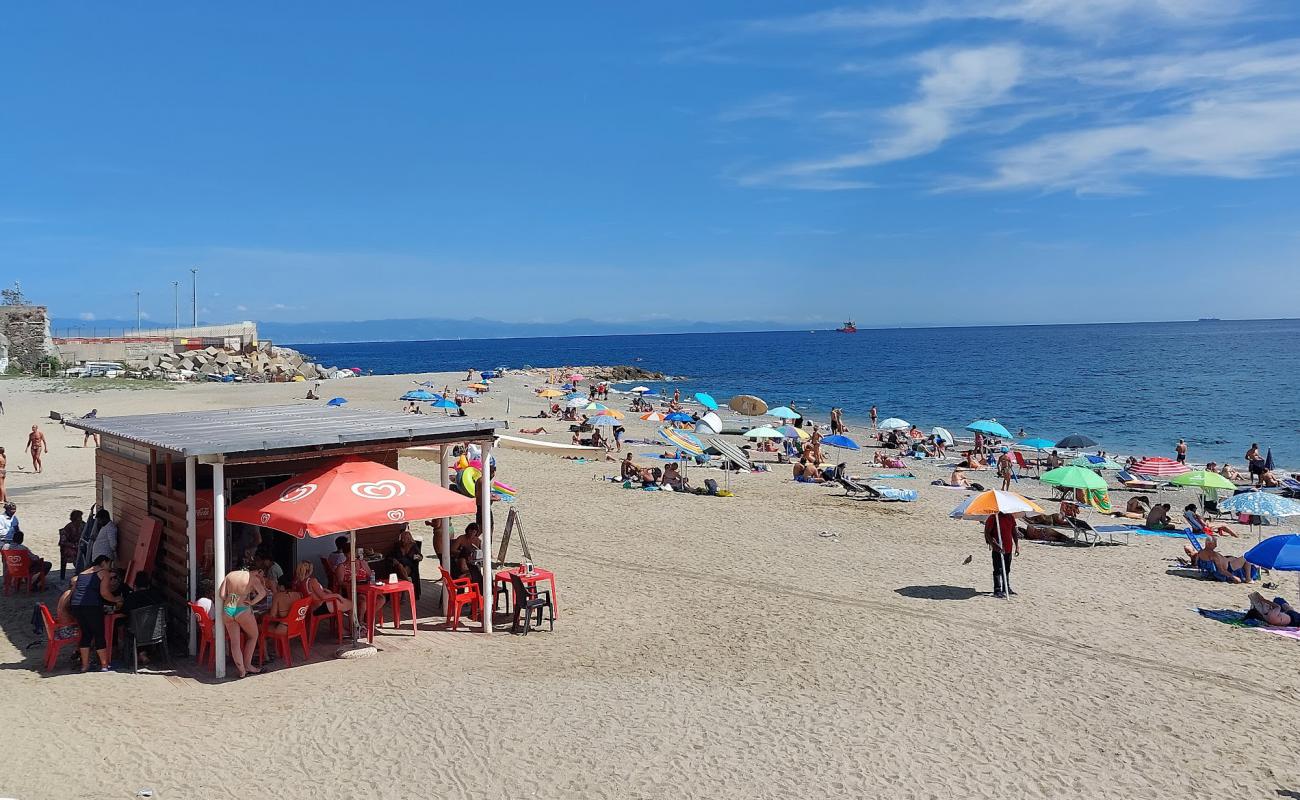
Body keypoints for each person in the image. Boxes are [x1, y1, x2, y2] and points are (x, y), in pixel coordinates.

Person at [69, 555, 122, 672]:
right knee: (99, 633)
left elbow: (75, 583)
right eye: (109, 564)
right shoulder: (103, 573)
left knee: (86, 633)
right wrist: (115, 600)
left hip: (76, 605)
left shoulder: (82, 574)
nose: (110, 567)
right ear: (103, 562)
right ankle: (104, 665)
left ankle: (85, 665)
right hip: (91, 606)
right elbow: (104, 593)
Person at [217, 564, 268, 678]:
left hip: (229, 608)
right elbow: (263, 593)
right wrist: (252, 602)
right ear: (258, 573)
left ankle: (241, 671)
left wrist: (233, 598)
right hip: (242, 609)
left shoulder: (230, 575)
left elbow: (221, 594)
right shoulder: (252, 578)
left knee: (235, 642)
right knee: (253, 636)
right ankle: (248, 666)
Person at [983, 512, 1019, 598]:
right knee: (997, 570)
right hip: (997, 549)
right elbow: (987, 533)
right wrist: (994, 545)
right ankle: (997, 589)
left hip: (1008, 548)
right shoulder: (993, 518)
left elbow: (1014, 532)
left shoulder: (1010, 517)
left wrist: (1017, 546)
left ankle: (1006, 588)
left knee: (1006, 569)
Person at [389, 527, 424, 599]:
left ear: (409, 538)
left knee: (403, 568)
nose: (403, 540)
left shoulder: (413, 546)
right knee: (399, 566)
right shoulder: (398, 545)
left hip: (409, 566)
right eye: (402, 538)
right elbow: (390, 556)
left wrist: (417, 557)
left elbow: (420, 556)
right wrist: (393, 560)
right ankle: (408, 585)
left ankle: (404, 591)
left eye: (405, 538)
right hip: (398, 565)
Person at [58, 509, 83, 579]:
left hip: (79, 545)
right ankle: (78, 571)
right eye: (79, 518)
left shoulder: (82, 525)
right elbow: (63, 541)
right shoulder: (68, 527)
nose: (81, 519)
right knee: (77, 554)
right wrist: (73, 545)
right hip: (68, 547)